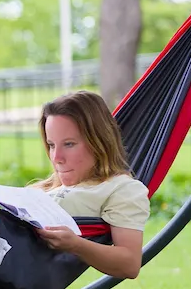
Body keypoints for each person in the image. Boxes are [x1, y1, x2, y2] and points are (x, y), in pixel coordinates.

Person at [32, 90, 149, 279]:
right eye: (52, 145)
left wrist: (75, 244)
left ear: (98, 142)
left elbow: (130, 264)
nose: (57, 158)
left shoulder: (121, 189)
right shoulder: (48, 186)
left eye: (69, 144)